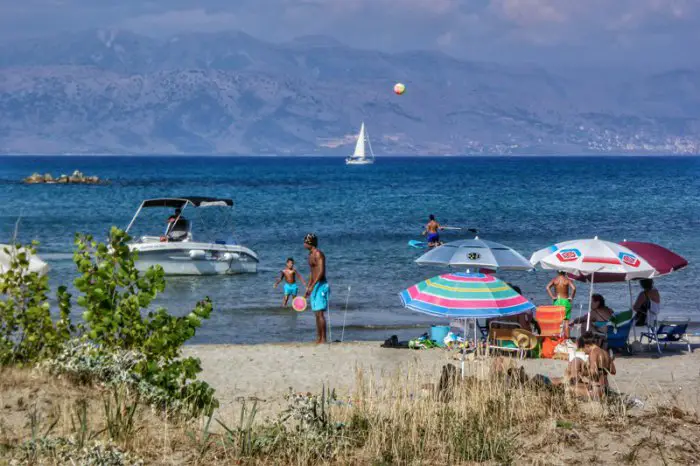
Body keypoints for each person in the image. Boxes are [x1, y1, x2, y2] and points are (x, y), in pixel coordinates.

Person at [565, 331, 616, 399]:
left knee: (568, 389)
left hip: (597, 391)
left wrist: (582, 373)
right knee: (576, 385)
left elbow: (593, 373)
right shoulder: (605, 353)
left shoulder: (593, 353)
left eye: (583, 349)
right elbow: (613, 371)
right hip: (605, 388)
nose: (584, 352)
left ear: (587, 346)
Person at [304, 233, 330, 344]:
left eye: (305, 242)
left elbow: (321, 272)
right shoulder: (310, 255)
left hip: (321, 285)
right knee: (316, 313)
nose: (304, 244)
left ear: (310, 243)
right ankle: (318, 338)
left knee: (320, 313)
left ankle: (323, 339)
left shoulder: (319, 254)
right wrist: (308, 287)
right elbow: (312, 273)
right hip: (314, 286)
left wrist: (313, 285)